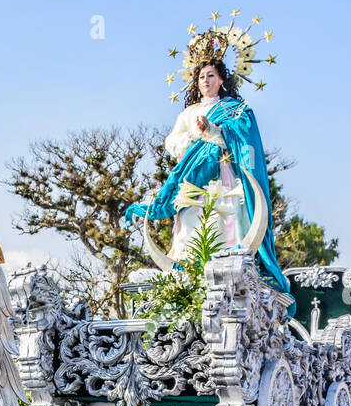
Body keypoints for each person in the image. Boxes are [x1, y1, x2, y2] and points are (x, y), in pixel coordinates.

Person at [123, 57, 288, 293]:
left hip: (224, 178)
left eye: (211, 75)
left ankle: (228, 271)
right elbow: (172, 142)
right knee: (192, 223)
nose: (206, 81)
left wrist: (212, 130)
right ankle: (190, 273)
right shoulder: (189, 113)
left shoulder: (234, 109)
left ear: (221, 79)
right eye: (201, 77)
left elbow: (244, 137)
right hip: (193, 180)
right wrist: (195, 137)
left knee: (224, 221)